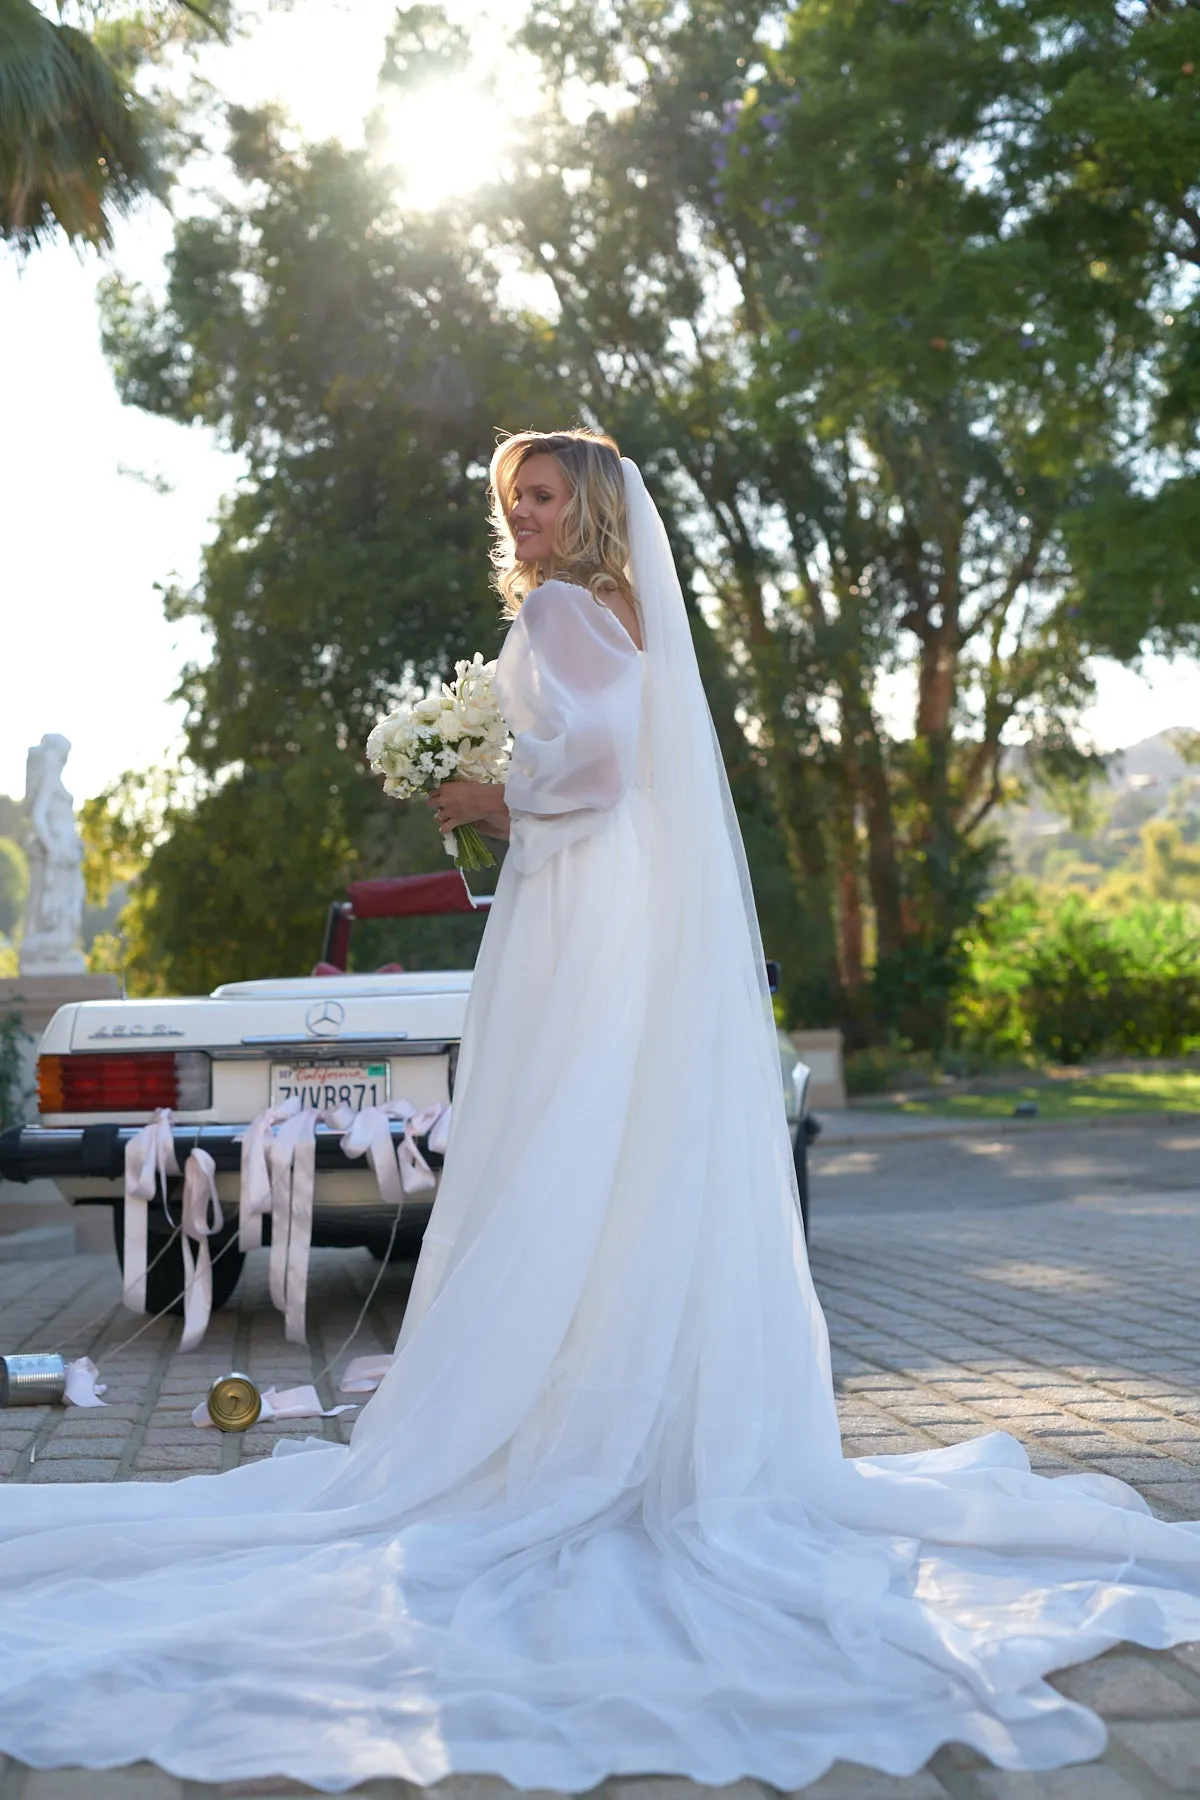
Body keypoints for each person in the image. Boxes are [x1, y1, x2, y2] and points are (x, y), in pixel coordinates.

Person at [0, 428, 1199, 1793]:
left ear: (591, 508)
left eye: (544, 495)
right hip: (624, 907)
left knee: (553, 1147)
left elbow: (591, 780)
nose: (521, 517)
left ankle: (558, 1424)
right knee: (621, 1150)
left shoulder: (569, 608)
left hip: (574, 900)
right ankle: (640, 1408)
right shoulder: (628, 611)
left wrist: (476, 796)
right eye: (510, 496)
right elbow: (638, 772)